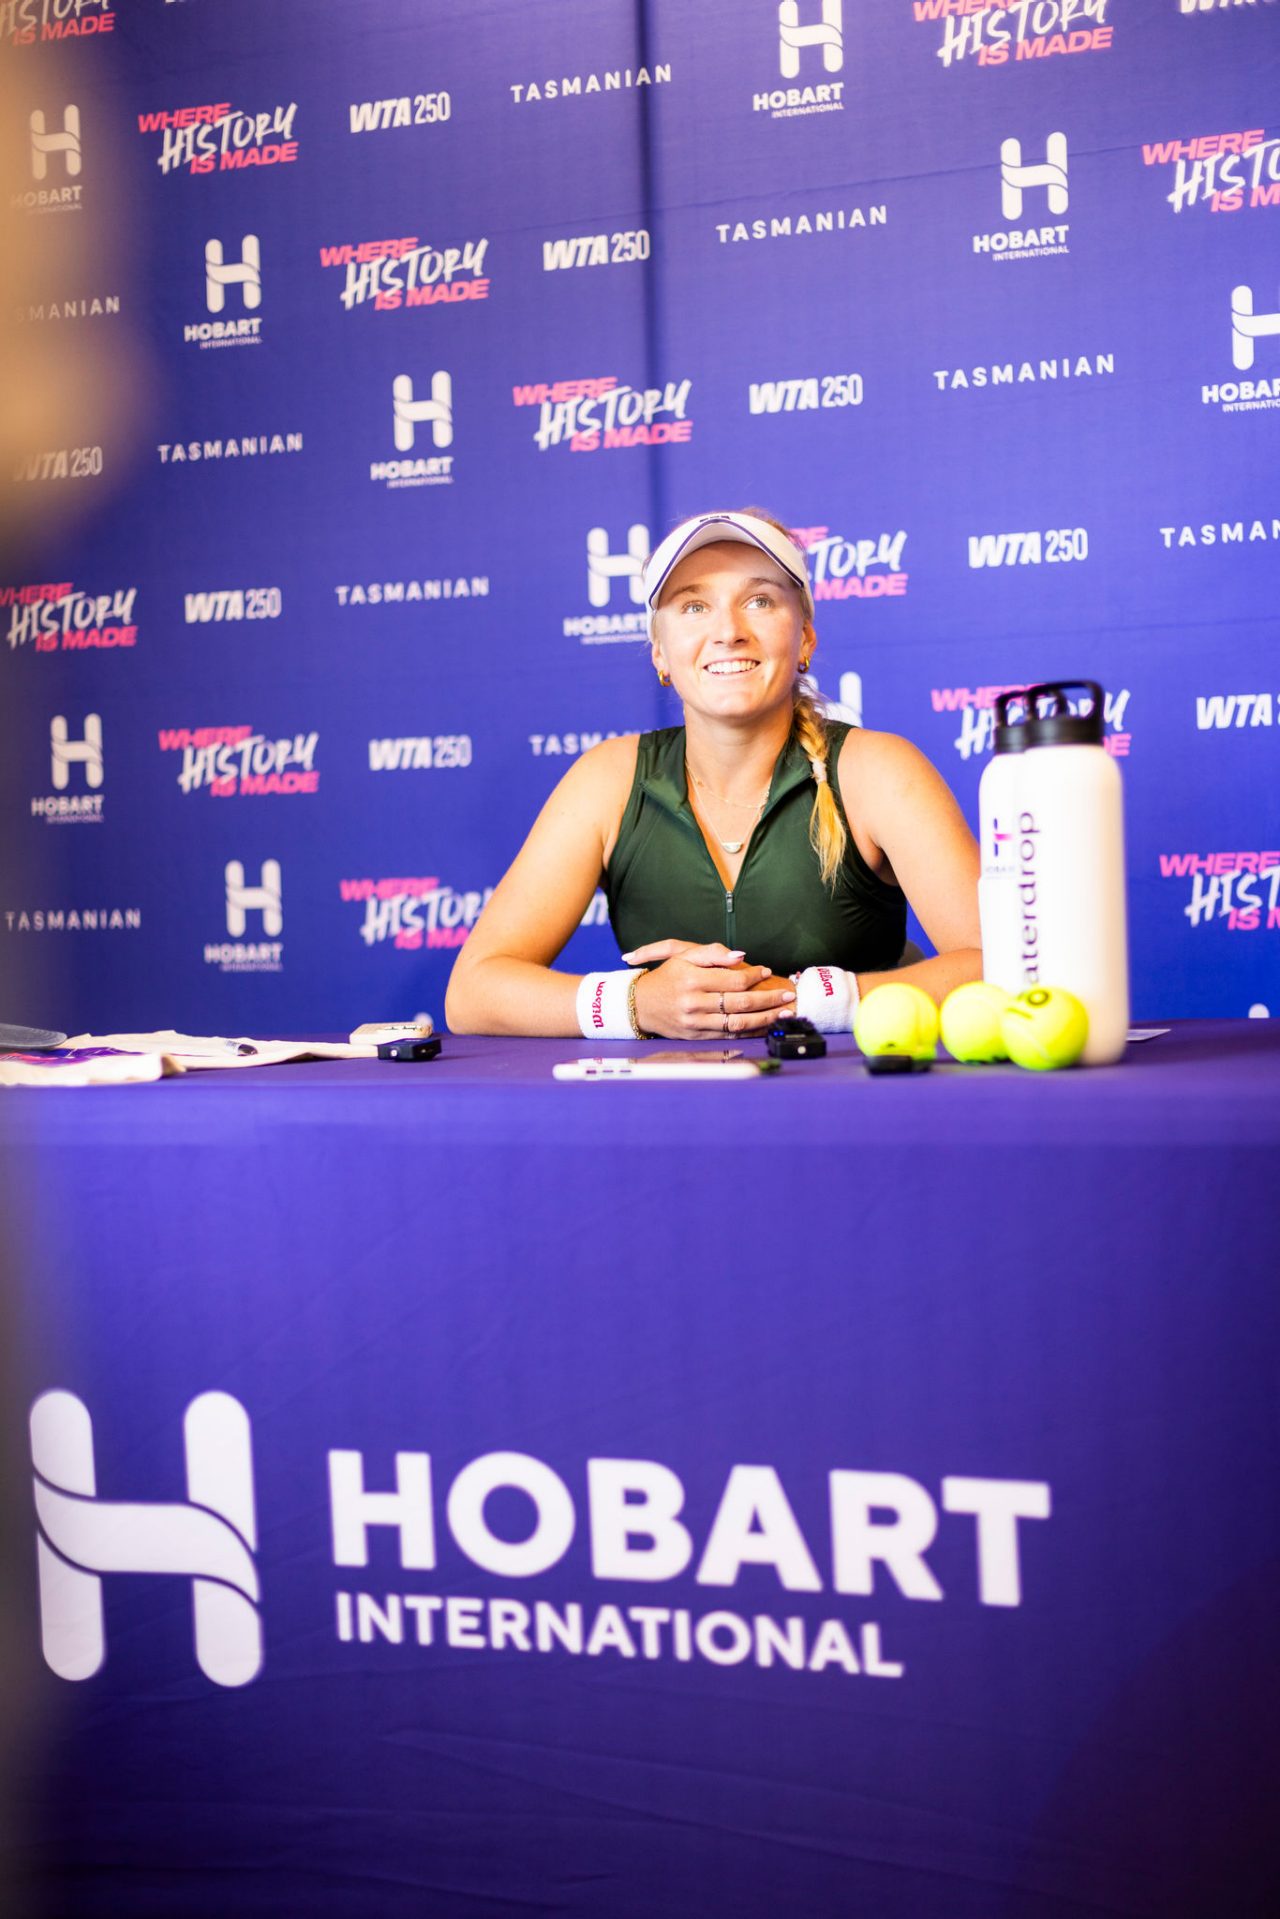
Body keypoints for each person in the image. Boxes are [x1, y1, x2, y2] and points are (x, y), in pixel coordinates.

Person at [445, 510, 981, 1039]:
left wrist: (804, 1002)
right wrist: (636, 1004)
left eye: (760, 600)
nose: (728, 631)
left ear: (806, 640)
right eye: (694, 605)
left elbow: (1002, 963)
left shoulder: (877, 770)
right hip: (668, 1115)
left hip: (852, 1108)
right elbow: (472, 993)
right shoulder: (607, 780)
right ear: (659, 651)